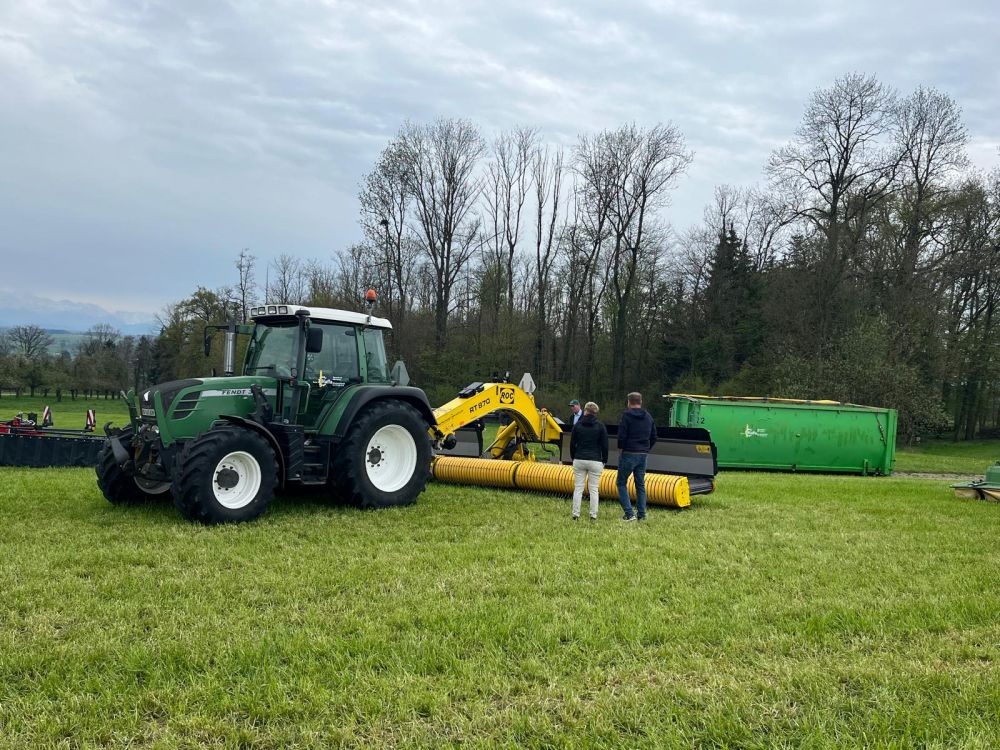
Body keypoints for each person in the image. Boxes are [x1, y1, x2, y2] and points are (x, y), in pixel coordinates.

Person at [616, 391, 657, 522]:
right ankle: (642, 514)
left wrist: (621, 449)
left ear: (629, 402)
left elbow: (622, 435)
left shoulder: (626, 416)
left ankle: (629, 513)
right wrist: (646, 448)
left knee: (621, 483)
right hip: (643, 454)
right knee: (640, 484)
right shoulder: (648, 417)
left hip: (628, 453)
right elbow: (654, 436)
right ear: (641, 402)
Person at [570, 401, 608, 521]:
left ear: (585, 411)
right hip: (595, 460)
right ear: (595, 412)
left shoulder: (578, 425)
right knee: (594, 489)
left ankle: (576, 514)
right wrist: (604, 460)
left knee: (578, 488)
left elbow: (572, 444)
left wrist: (574, 457)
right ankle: (593, 515)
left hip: (579, 458)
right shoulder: (601, 426)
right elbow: (605, 445)